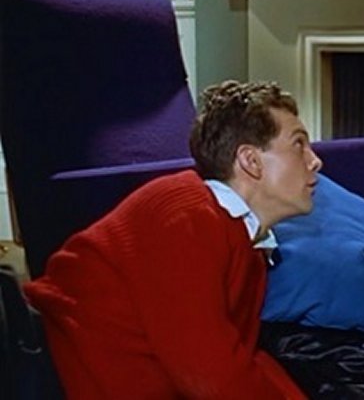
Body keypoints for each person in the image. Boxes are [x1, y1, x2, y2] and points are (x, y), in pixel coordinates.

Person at [24, 80, 321, 399]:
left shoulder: (250, 245)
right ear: (250, 161)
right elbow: (209, 376)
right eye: (298, 144)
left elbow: (240, 361)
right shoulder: (184, 214)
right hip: (63, 373)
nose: (315, 161)